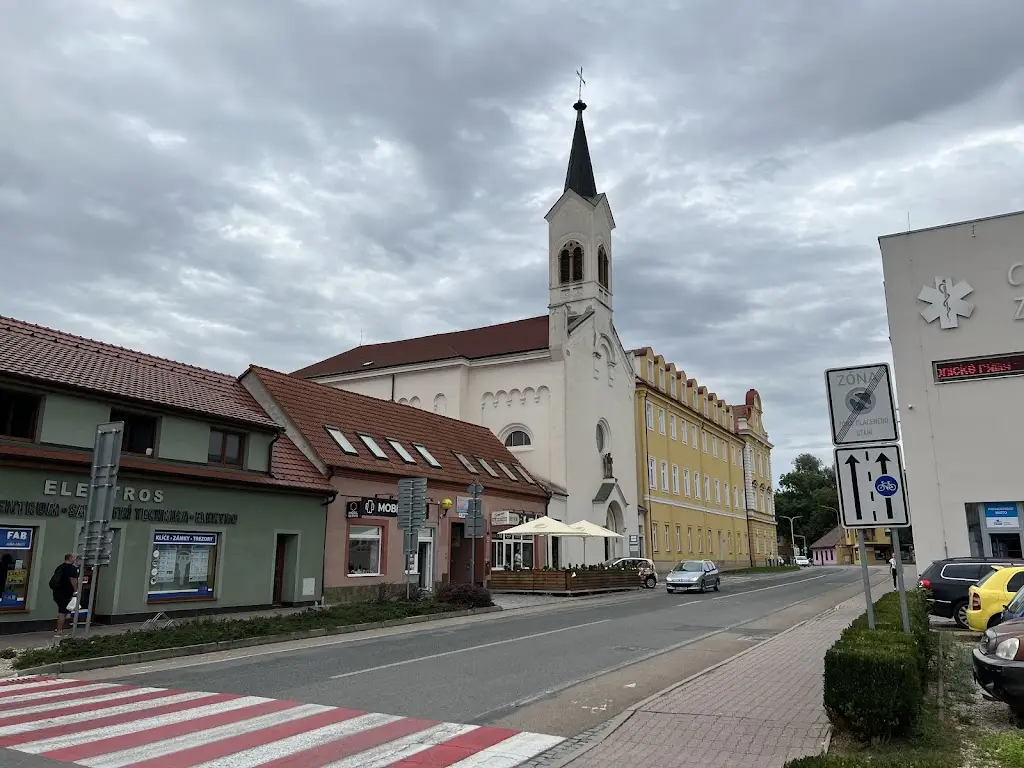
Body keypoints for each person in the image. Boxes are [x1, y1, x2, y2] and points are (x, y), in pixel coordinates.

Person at [50, 553, 79, 638]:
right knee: (62, 611)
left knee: (64, 610)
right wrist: (76, 590)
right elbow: (73, 579)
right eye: (74, 558)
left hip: (57, 592)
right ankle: (58, 631)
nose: (75, 559)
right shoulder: (71, 568)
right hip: (65, 592)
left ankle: (60, 629)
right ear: (70, 558)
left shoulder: (60, 567)